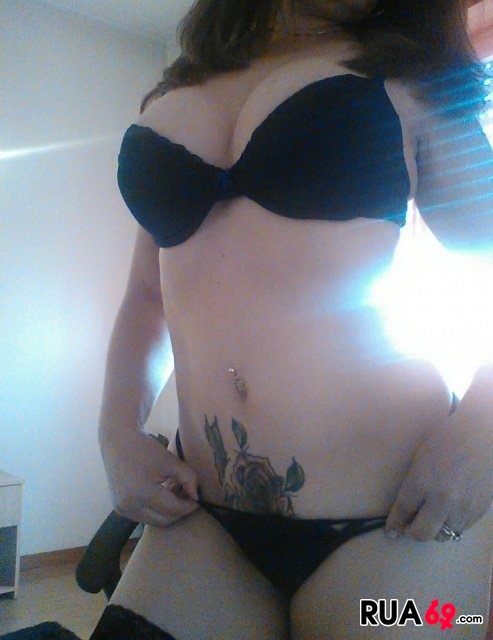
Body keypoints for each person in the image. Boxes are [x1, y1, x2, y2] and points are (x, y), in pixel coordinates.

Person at [95, 1, 493, 638]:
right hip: (205, 521)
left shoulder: (415, 85)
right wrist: (116, 431)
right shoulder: (176, 93)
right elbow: (147, 294)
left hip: (394, 520)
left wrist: (482, 429)